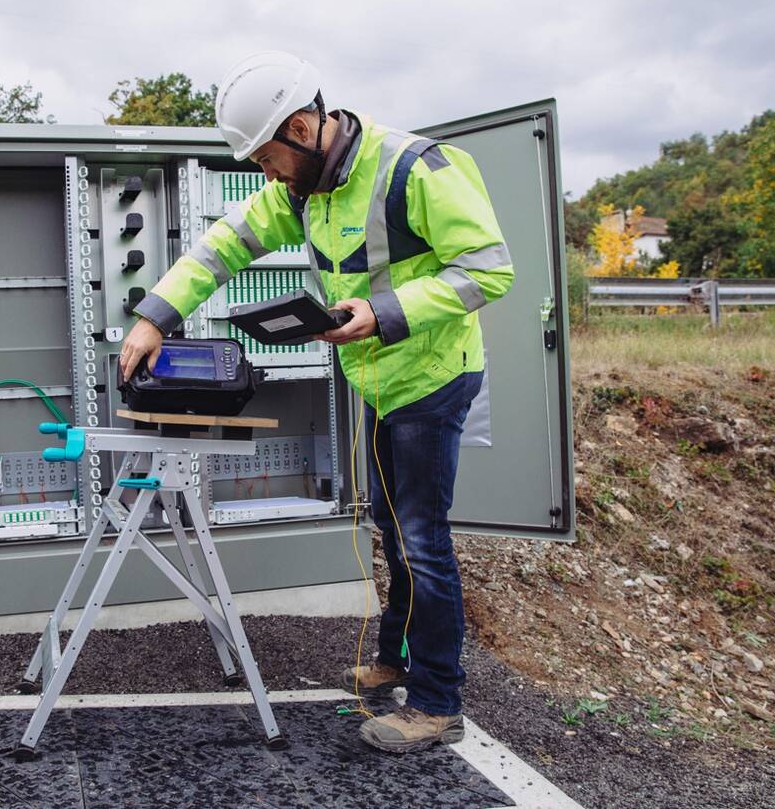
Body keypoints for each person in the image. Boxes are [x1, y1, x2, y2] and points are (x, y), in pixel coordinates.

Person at [120, 51, 514, 754]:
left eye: (268, 159)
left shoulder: (414, 168)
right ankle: (396, 660)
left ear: (303, 128)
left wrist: (383, 311)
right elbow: (221, 248)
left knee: (422, 538)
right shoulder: (299, 190)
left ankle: (436, 701)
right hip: (379, 379)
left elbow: (489, 268)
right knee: (397, 533)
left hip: (430, 376)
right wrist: (155, 314)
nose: (265, 175)